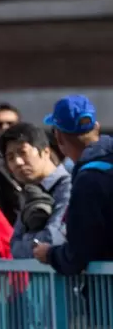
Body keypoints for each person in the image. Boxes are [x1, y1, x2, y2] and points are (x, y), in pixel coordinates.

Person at [33, 95, 113, 274]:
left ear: (58, 137)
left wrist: (50, 254)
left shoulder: (88, 181)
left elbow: (79, 254)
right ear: (97, 127)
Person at [0, 122, 71, 259]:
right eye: (10, 158)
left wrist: (27, 241)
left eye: (23, 152)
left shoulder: (69, 187)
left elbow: (53, 239)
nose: (18, 162)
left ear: (45, 152)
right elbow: (14, 246)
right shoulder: (31, 191)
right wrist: (36, 244)